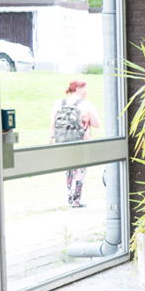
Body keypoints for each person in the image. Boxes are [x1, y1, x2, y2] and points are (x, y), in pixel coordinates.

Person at [49, 79, 100, 207]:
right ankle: (76, 200)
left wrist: (51, 139)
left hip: (64, 142)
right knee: (80, 170)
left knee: (69, 170)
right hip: (81, 142)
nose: (87, 91)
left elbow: (53, 124)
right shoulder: (86, 104)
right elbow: (96, 124)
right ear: (78, 89)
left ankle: (70, 196)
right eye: (85, 88)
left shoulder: (58, 103)